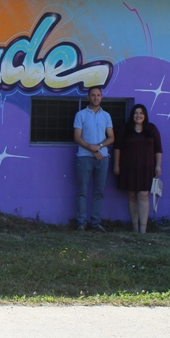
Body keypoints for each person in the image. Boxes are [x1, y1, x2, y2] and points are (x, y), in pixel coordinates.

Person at [113, 104, 162, 233]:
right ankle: (134, 228)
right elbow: (117, 148)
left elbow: (158, 149)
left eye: (141, 113)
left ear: (145, 115)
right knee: (132, 195)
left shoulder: (151, 129)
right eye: (136, 113)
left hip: (146, 167)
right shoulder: (125, 129)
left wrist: (158, 165)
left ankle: (143, 229)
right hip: (128, 167)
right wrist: (116, 165)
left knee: (144, 195)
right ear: (132, 115)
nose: (138, 115)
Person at [73, 86, 114, 231]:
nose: (96, 98)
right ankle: (81, 223)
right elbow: (77, 137)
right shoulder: (81, 115)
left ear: (101, 97)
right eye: (93, 95)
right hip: (84, 158)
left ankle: (96, 223)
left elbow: (111, 137)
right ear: (88, 97)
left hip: (103, 158)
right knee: (82, 191)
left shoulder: (106, 116)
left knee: (99, 192)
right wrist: (94, 150)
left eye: (98, 95)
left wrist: (100, 146)